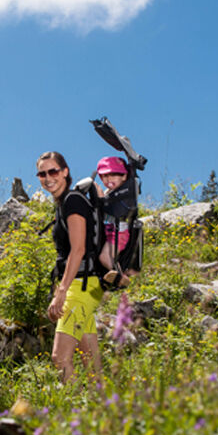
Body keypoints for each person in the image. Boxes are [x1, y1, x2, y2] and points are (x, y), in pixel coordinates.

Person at [36, 151, 103, 385]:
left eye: (53, 171)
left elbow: (78, 249)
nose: (48, 178)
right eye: (42, 174)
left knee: (60, 358)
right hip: (85, 283)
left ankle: (75, 406)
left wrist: (62, 291)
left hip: (81, 285)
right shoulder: (63, 203)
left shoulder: (72, 201)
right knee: (90, 360)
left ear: (65, 172)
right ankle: (103, 403)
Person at [95, 156, 139, 287]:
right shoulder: (110, 193)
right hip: (107, 232)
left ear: (124, 177)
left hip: (118, 234)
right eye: (105, 176)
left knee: (105, 257)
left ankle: (120, 277)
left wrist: (101, 199)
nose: (109, 179)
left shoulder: (124, 196)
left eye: (113, 175)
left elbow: (115, 211)